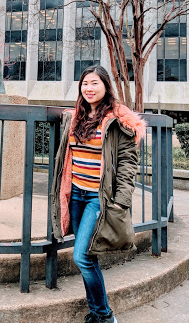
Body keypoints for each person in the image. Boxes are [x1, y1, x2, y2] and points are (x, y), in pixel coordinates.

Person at [51, 65, 146, 323]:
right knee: (88, 255)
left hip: (98, 199)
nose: (89, 89)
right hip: (77, 195)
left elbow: (127, 162)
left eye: (94, 83)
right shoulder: (77, 117)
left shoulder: (118, 120)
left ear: (105, 86)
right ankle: (97, 312)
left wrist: (121, 201)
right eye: (85, 84)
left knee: (81, 255)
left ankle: (105, 316)